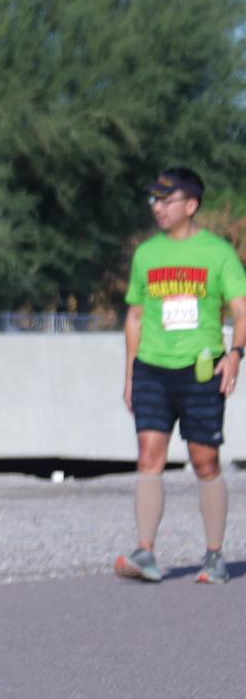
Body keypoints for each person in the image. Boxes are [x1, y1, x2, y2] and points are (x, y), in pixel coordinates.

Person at [115, 165, 244, 584]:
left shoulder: (217, 253)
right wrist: (130, 373)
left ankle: (214, 556)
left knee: (205, 461)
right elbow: (135, 315)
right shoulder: (147, 254)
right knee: (148, 457)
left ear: (191, 205)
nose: (158, 207)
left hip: (201, 371)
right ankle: (146, 552)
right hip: (152, 369)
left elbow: (241, 310)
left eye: (166, 200)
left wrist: (236, 354)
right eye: (154, 199)